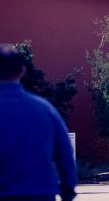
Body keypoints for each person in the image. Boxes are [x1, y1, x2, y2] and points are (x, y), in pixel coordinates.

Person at [0, 44, 77, 201]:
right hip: (41, 194)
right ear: (22, 71)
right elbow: (66, 156)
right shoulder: (46, 110)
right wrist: (67, 193)